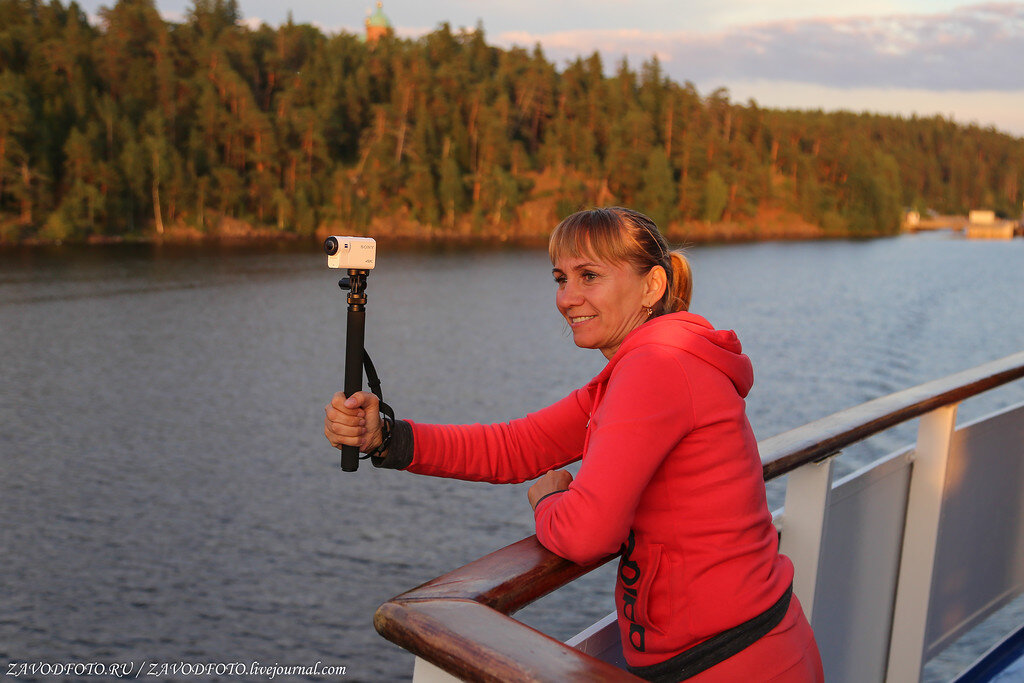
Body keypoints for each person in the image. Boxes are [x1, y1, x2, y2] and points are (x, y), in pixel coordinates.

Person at [324, 207, 824, 682]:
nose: (567, 298)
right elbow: (519, 444)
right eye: (561, 279)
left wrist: (549, 500)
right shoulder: (648, 363)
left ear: (651, 285)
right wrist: (387, 437)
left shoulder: (657, 367)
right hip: (739, 652)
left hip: (733, 664)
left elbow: (587, 535)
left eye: (589, 276)